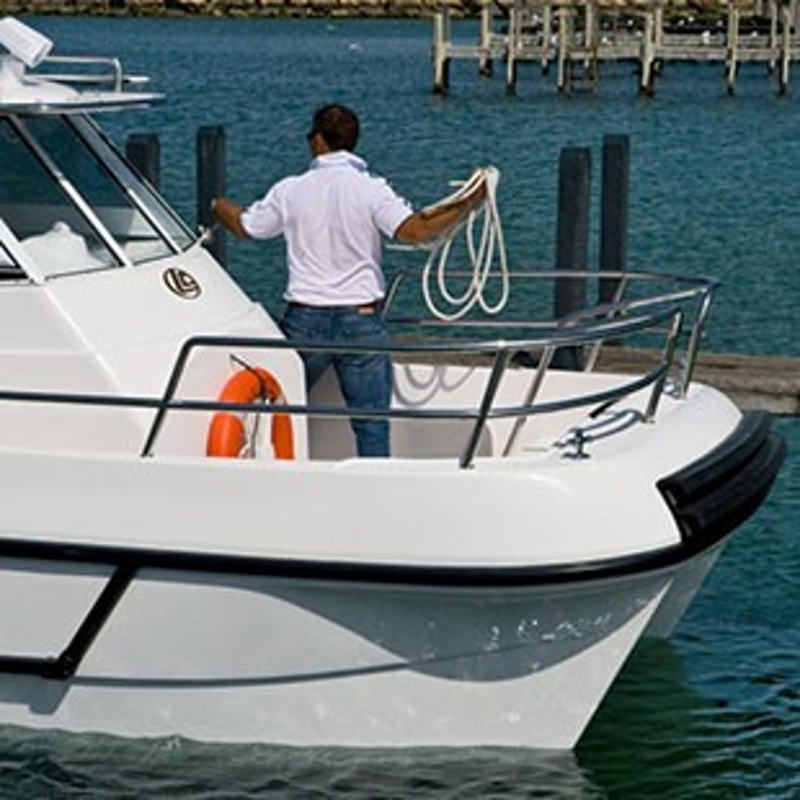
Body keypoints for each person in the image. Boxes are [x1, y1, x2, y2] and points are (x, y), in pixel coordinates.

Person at [213, 103, 485, 457]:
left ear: (318, 141)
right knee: (372, 426)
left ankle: (276, 477)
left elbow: (247, 227)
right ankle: (375, 487)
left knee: (274, 414)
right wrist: (468, 203)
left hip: (305, 321)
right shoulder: (372, 189)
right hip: (361, 320)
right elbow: (415, 230)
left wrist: (218, 205)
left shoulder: (290, 190)